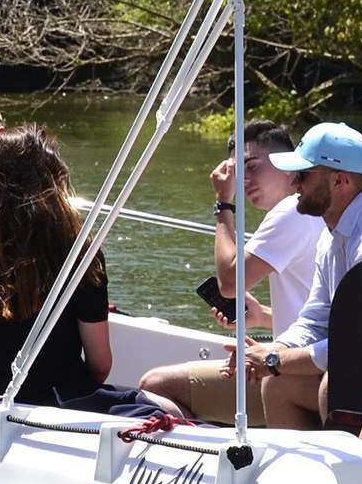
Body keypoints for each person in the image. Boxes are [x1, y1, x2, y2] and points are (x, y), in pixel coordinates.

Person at [0, 124, 177, 414]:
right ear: (55, 177)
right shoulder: (80, 250)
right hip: (65, 402)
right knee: (170, 409)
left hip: (5, 403)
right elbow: (100, 365)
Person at [232, 121, 362, 429]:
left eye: (303, 175)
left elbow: (358, 343)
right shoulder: (331, 236)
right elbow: (315, 320)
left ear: (340, 181)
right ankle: (301, 476)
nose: (294, 184)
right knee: (278, 383)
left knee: (331, 384)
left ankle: (343, 475)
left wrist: (274, 361)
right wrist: (272, 350)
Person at [136, 120, 323, 421]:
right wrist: (262, 316)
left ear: (288, 165)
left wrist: (223, 204)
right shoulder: (313, 210)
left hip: (296, 375)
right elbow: (318, 316)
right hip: (299, 363)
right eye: (238, 172)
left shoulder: (291, 211)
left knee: (156, 386)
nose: (244, 179)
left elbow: (229, 283)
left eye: (252, 167)